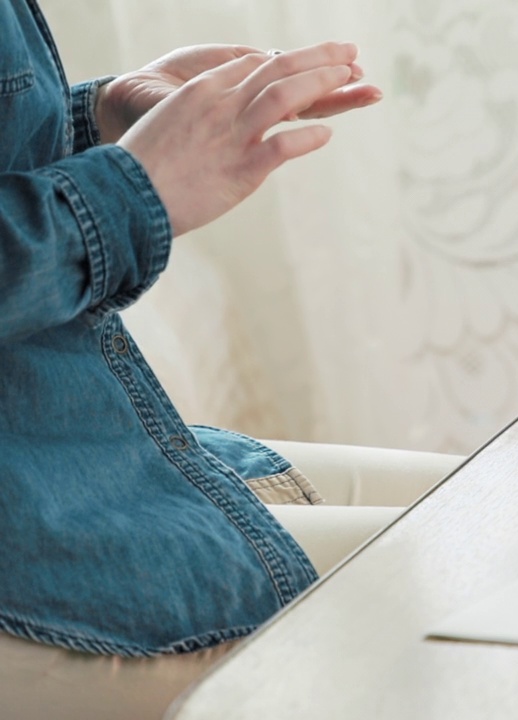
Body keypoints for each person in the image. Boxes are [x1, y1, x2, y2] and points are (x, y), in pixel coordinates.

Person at [0, 0, 461, 657]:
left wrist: (100, 117)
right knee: (485, 569)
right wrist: (132, 189)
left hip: (73, 444)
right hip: (32, 527)